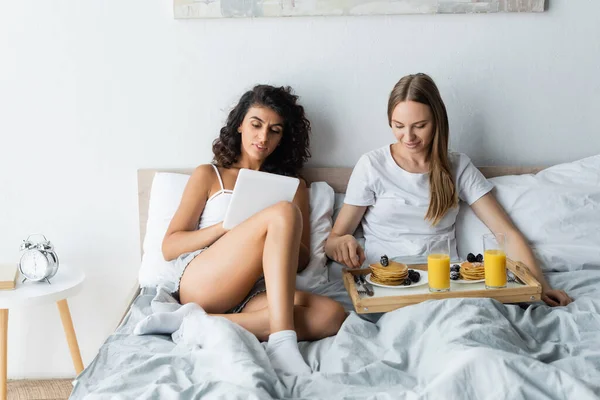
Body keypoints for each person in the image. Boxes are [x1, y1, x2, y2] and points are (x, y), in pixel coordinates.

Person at [324, 73, 572, 307]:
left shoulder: (457, 167)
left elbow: (505, 233)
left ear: (437, 122)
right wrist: (343, 243)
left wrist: (541, 285)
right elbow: (333, 241)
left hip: (443, 287)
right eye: (398, 125)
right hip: (387, 288)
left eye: (419, 126)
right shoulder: (372, 165)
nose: (408, 136)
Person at [162, 85, 346, 375]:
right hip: (205, 280)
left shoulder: (293, 186)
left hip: (254, 292)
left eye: (275, 130)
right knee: (283, 211)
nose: (263, 137)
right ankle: (283, 342)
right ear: (239, 125)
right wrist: (228, 228)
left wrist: (278, 235)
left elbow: (300, 261)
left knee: (332, 315)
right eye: (256, 125)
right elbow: (169, 246)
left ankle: (201, 324)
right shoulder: (209, 175)